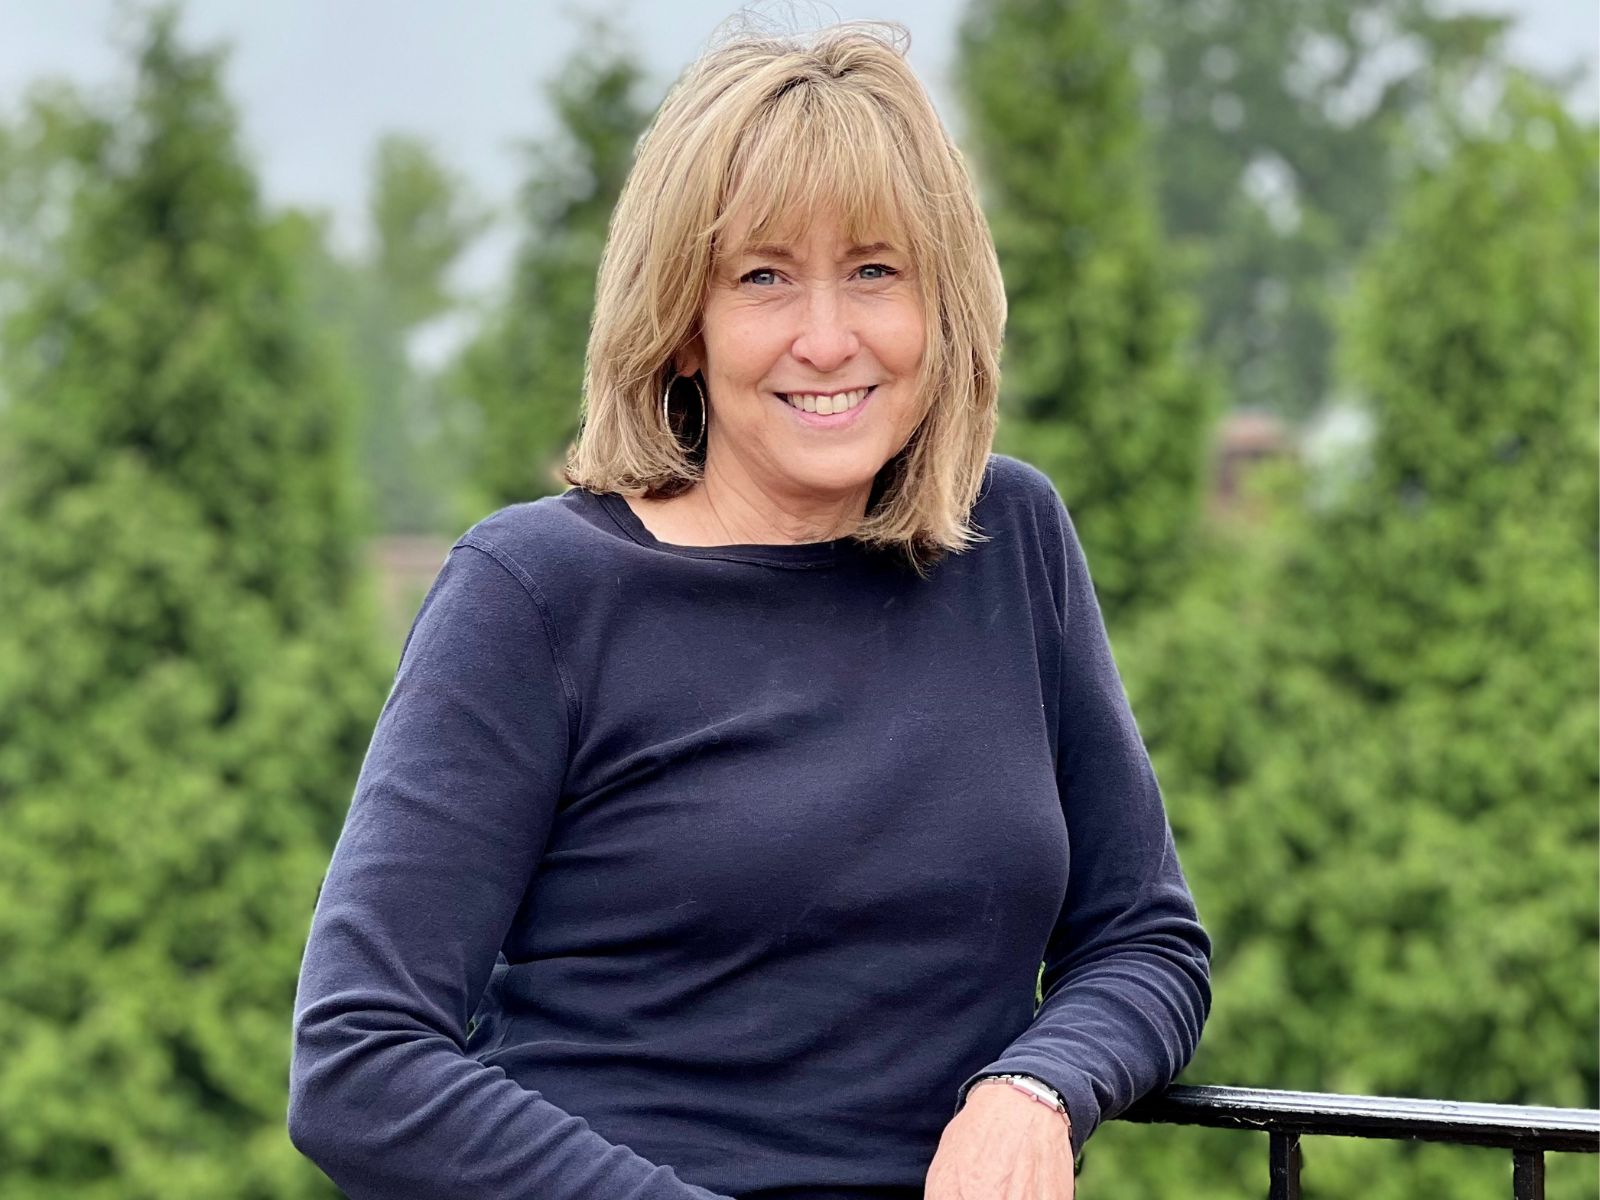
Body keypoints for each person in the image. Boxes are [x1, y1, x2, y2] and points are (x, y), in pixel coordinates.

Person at [287, 21, 1211, 1200]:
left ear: (944, 307)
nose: (827, 339)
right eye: (763, 276)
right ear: (684, 321)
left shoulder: (1008, 540)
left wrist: (1035, 1086)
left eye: (875, 269)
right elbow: (360, 1063)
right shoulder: (533, 593)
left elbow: (1144, 940)